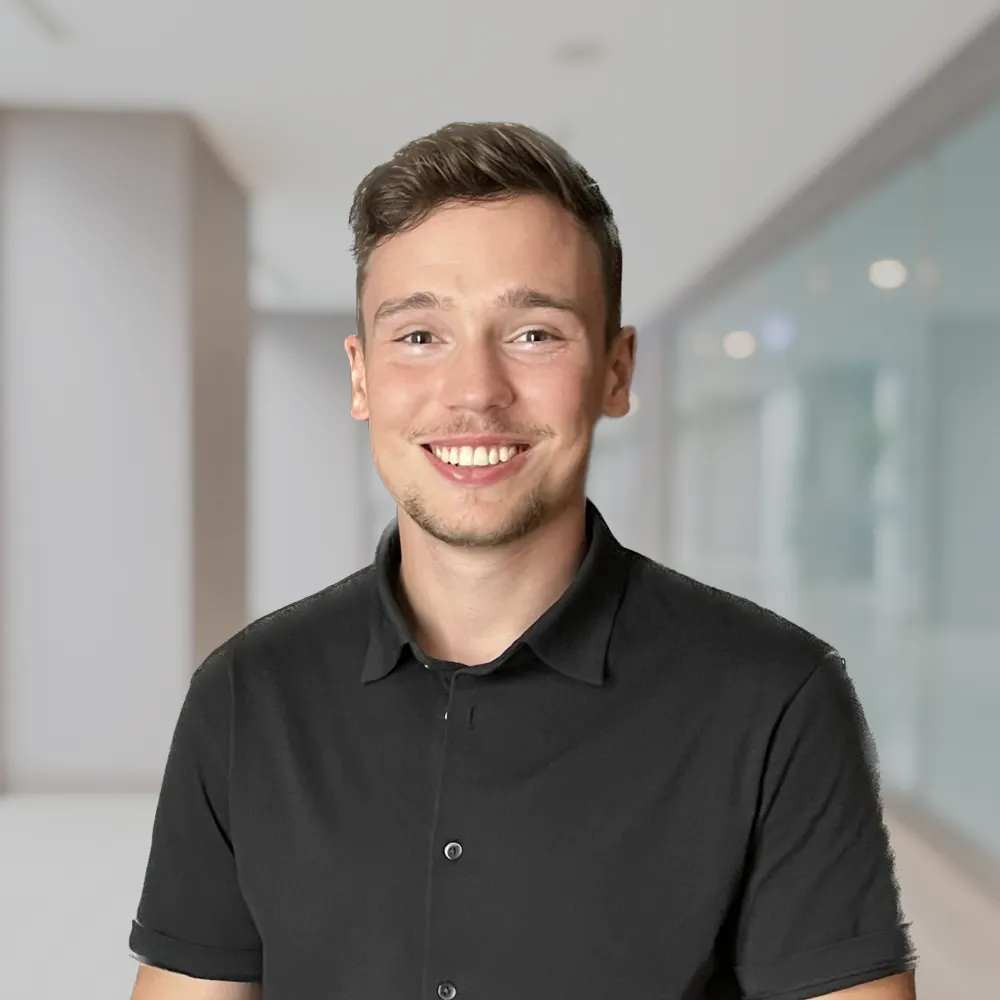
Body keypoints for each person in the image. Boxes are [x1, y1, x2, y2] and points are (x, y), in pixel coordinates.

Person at [128, 122, 918, 1000]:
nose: (474, 390)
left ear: (616, 372)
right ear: (360, 377)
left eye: (535, 334)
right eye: (420, 335)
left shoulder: (778, 699)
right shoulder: (246, 696)